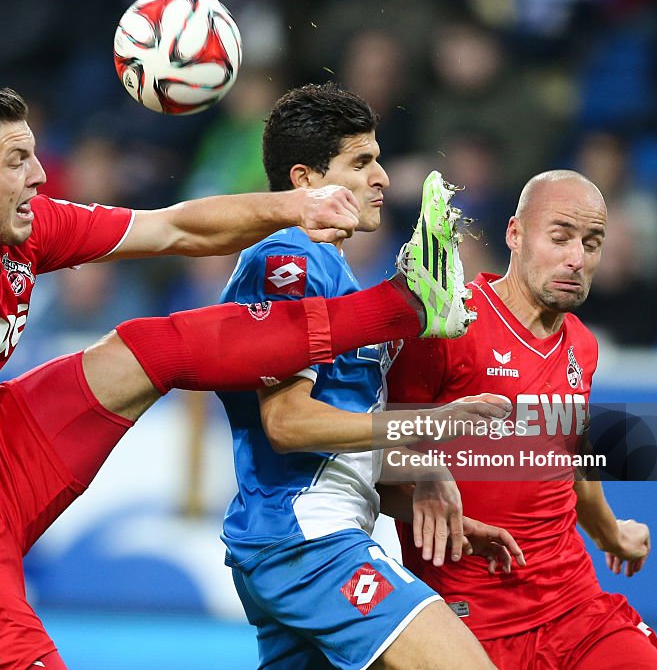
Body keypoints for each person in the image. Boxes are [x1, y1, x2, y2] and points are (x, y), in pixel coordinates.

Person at [0, 0, 483, 670]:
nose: (39, 174)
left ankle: (406, 301)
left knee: (144, 348)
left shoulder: (27, 230)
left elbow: (172, 226)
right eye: (17, 161)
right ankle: (404, 303)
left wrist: (291, 205)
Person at [217, 83, 524, 670]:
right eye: (361, 162)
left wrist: (416, 495)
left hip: (304, 539)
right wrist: (425, 426)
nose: (381, 177)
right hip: (308, 543)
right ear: (305, 181)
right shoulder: (287, 263)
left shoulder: (331, 271)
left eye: (378, 158)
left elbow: (332, 449)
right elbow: (286, 423)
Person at [387, 170, 657, 669]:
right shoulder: (449, 327)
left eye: (592, 243)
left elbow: (572, 464)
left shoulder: (581, 345)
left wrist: (612, 533)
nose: (577, 258)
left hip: (574, 606)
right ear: (515, 234)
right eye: (560, 237)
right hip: (468, 623)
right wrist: (418, 488)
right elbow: (378, 465)